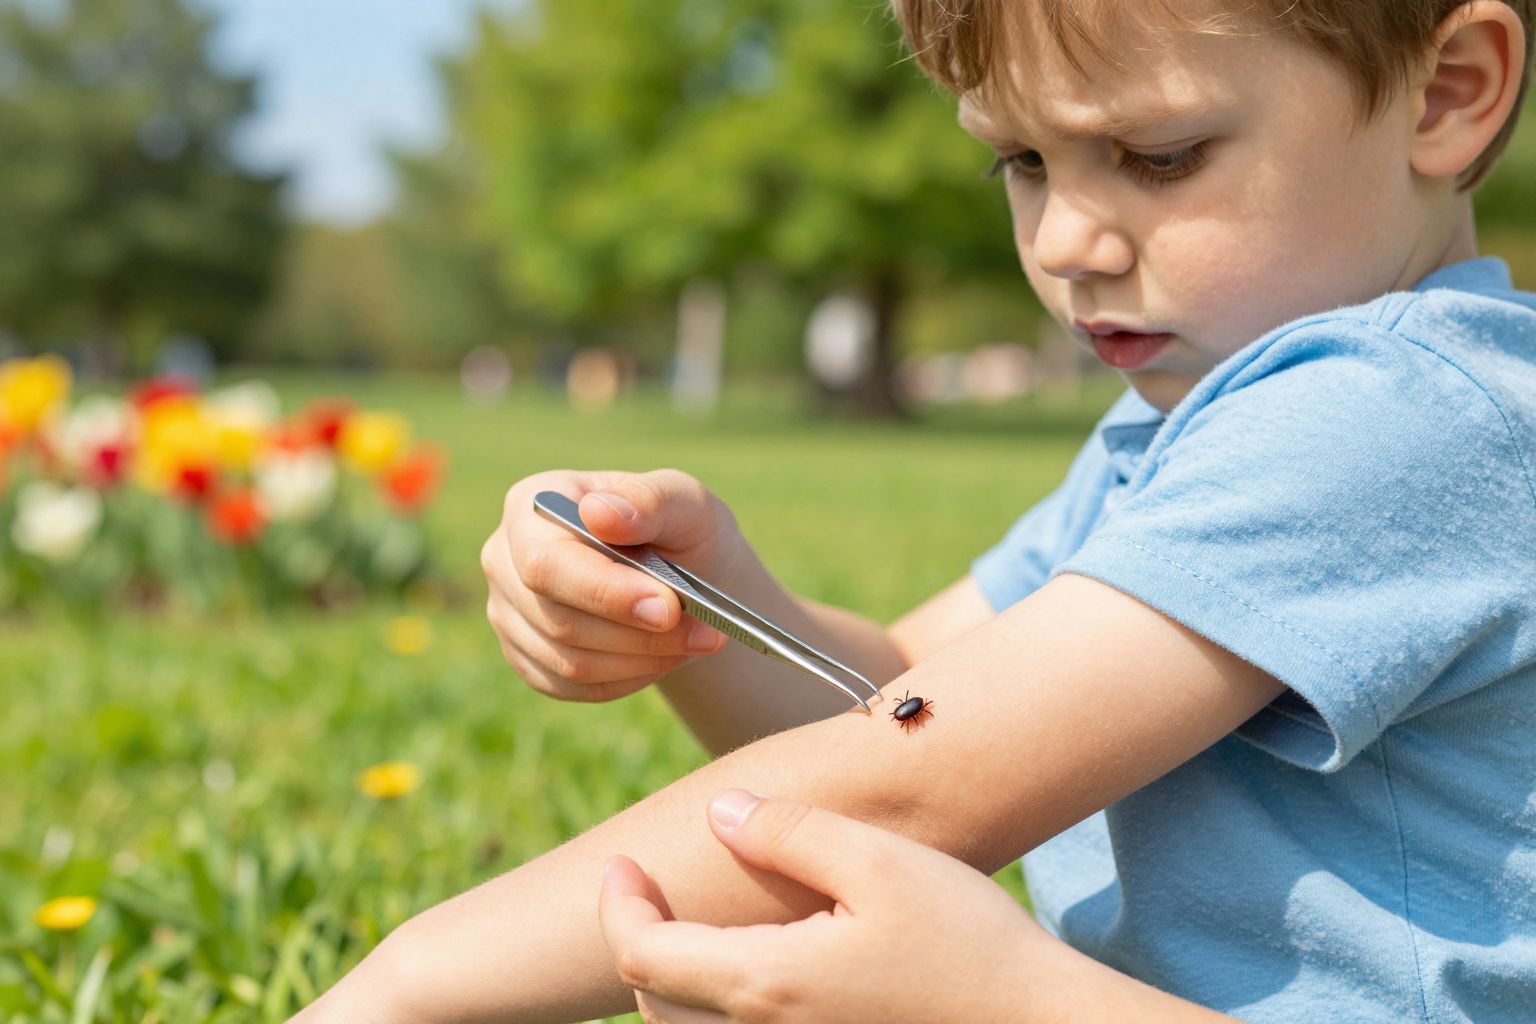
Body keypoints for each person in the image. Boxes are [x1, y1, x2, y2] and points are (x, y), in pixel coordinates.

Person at [291, 0, 1536, 1021]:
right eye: (1023, 161)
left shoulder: (1396, 413)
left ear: (1447, 92)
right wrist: (704, 595)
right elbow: (902, 694)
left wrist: (404, 989)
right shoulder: (1195, 420)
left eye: (1158, 156)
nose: (1066, 240)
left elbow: (911, 784)